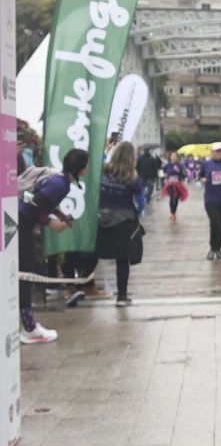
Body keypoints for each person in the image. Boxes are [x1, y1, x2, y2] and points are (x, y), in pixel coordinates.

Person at [18, 148, 90, 343]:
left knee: (23, 272)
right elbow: (32, 204)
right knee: (24, 273)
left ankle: (25, 324)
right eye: (87, 165)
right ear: (81, 169)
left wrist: (61, 216)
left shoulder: (60, 179)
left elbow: (43, 200)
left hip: (19, 223)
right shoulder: (61, 184)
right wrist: (50, 222)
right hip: (21, 225)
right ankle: (29, 327)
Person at [95, 141, 144, 307]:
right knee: (122, 259)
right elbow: (140, 201)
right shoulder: (133, 177)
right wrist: (138, 213)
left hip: (101, 217)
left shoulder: (103, 170)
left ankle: (77, 287)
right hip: (124, 220)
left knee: (94, 253)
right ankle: (121, 296)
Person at [199, 142, 221, 260]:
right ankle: (212, 248)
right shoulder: (206, 164)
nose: (219, 153)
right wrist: (203, 180)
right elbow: (200, 176)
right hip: (211, 199)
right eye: (217, 151)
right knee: (215, 223)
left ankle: (218, 247)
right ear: (212, 152)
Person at [162, 151, 187, 222]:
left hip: (178, 184)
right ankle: (172, 213)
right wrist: (164, 177)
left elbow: (184, 175)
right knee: (172, 197)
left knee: (176, 199)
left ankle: (174, 213)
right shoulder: (167, 165)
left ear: (177, 157)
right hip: (170, 184)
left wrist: (179, 171)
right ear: (170, 157)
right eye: (172, 156)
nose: (173, 157)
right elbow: (163, 172)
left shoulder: (180, 165)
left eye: (175, 156)